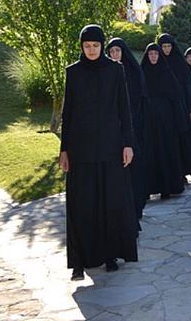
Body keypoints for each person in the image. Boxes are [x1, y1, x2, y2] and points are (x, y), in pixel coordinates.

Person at [59, 25, 138, 280]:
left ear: (102, 46)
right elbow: (68, 114)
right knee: (81, 204)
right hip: (80, 150)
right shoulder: (73, 72)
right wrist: (64, 150)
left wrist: (128, 144)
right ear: (81, 47)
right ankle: (79, 261)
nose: (91, 50)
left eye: (95, 45)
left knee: (109, 202)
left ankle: (109, 254)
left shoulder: (115, 70)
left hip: (110, 147)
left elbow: (124, 109)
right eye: (87, 46)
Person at [106, 37, 150, 220]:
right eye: (111, 51)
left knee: (135, 167)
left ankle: (136, 205)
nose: (115, 54)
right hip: (113, 129)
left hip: (134, 127)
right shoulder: (106, 72)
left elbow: (141, 99)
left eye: (117, 50)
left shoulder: (133, 72)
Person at [140, 43, 187, 200]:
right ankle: (149, 188)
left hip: (166, 121)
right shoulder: (142, 73)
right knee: (150, 153)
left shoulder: (167, 73)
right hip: (148, 121)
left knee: (166, 151)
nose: (153, 57)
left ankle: (168, 187)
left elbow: (176, 98)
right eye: (150, 54)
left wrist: (178, 120)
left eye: (156, 54)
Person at [159, 34, 191, 175]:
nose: (166, 49)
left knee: (181, 139)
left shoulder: (179, 63)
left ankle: (182, 172)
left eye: (168, 46)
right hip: (164, 109)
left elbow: (188, 86)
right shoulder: (158, 62)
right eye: (163, 46)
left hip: (180, 107)